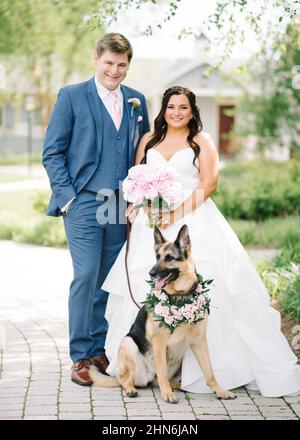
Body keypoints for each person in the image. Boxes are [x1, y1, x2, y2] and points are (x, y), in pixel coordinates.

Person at [102, 86, 300, 397]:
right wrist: (146, 205)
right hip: (151, 224)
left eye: (183, 107)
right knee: (147, 285)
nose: (176, 113)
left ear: (192, 111)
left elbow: (210, 183)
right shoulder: (148, 140)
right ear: (163, 109)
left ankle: (204, 371)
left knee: (213, 289)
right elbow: (135, 177)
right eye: (171, 107)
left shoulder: (201, 141)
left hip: (193, 220)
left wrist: (176, 214)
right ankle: (147, 364)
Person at [42, 33, 150, 386]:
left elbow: (143, 151)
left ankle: (101, 348)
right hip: (85, 200)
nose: (114, 71)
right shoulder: (72, 96)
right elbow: (52, 152)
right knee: (86, 275)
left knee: (110, 278)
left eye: (121, 65)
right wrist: (69, 197)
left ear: (128, 66)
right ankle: (80, 356)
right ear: (96, 60)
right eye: (108, 63)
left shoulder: (137, 101)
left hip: (120, 203)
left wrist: (143, 194)